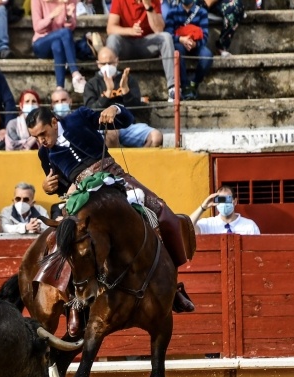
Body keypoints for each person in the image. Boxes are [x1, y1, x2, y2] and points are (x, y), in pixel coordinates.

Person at [26, 106, 196, 312]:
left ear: (54, 122)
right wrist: (48, 187)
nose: (42, 141)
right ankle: (74, 305)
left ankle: (173, 286)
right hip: (82, 195)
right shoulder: (45, 154)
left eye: (43, 134)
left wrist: (116, 109)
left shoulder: (77, 119)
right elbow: (60, 187)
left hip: (116, 178)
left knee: (161, 211)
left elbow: (125, 120)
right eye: (36, 137)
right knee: (66, 239)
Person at [83, 46, 162, 147]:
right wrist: (107, 93)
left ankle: (138, 162)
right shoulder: (91, 84)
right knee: (111, 133)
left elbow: (136, 108)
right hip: (103, 127)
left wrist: (126, 91)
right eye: (103, 63)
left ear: (116, 61)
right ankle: (114, 162)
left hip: (128, 125)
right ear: (98, 64)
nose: (107, 66)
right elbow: (90, 111)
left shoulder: (128, 80)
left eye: (110, 63)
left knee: (156, 137)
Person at [106, 0, 177, 101]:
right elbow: (110, 28)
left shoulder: (153, 1)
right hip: (126, 43)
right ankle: (108, 87)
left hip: (146, 43)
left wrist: (148, 6)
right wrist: (130, 31)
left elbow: (159, 29)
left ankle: (172, 89)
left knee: (166, 37)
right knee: (112, 39)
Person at [31, 0, 86, 93]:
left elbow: (71, 27)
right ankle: (75, 73)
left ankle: (60, 88)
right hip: (41, 43)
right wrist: (52, 15)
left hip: (60, 42)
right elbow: (37, 27)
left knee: (57, 45)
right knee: (64, 32)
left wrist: (68, 18)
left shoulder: (70, 1)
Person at [165, 0, 213, 99]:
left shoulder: (202, 12)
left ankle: (194, 83)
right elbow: (168, 35)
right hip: (180, 44)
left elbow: (205, 36)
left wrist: (195, 44)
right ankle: (185, 85)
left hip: (196, 45)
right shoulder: (172, 12)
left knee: (207, 56)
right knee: (177, 52)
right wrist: (180, 39)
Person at [190, 185, 260, 235]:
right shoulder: (208, 224)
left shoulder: (250, 226)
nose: (224, 203)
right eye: (221, 199)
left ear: (235, 201)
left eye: (227, 199)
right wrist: (203, 207)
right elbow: (187, 227)